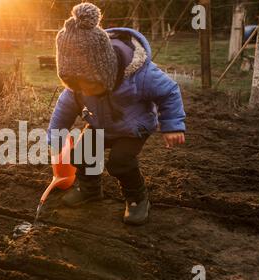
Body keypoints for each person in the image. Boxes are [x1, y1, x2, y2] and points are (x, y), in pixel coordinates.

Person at [47, 2, 186, 225]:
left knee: (120, 162)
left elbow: (169, 92)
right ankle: (90, 190)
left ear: (107, 72)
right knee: (82, 155)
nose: (85, 91)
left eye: (90, 85)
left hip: (133, 128)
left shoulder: (140, 74)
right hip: (100, 124)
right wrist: (55, 136)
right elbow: (64, 108)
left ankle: (137, 199)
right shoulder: (78, 85)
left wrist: (172, 125)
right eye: (78, 86)